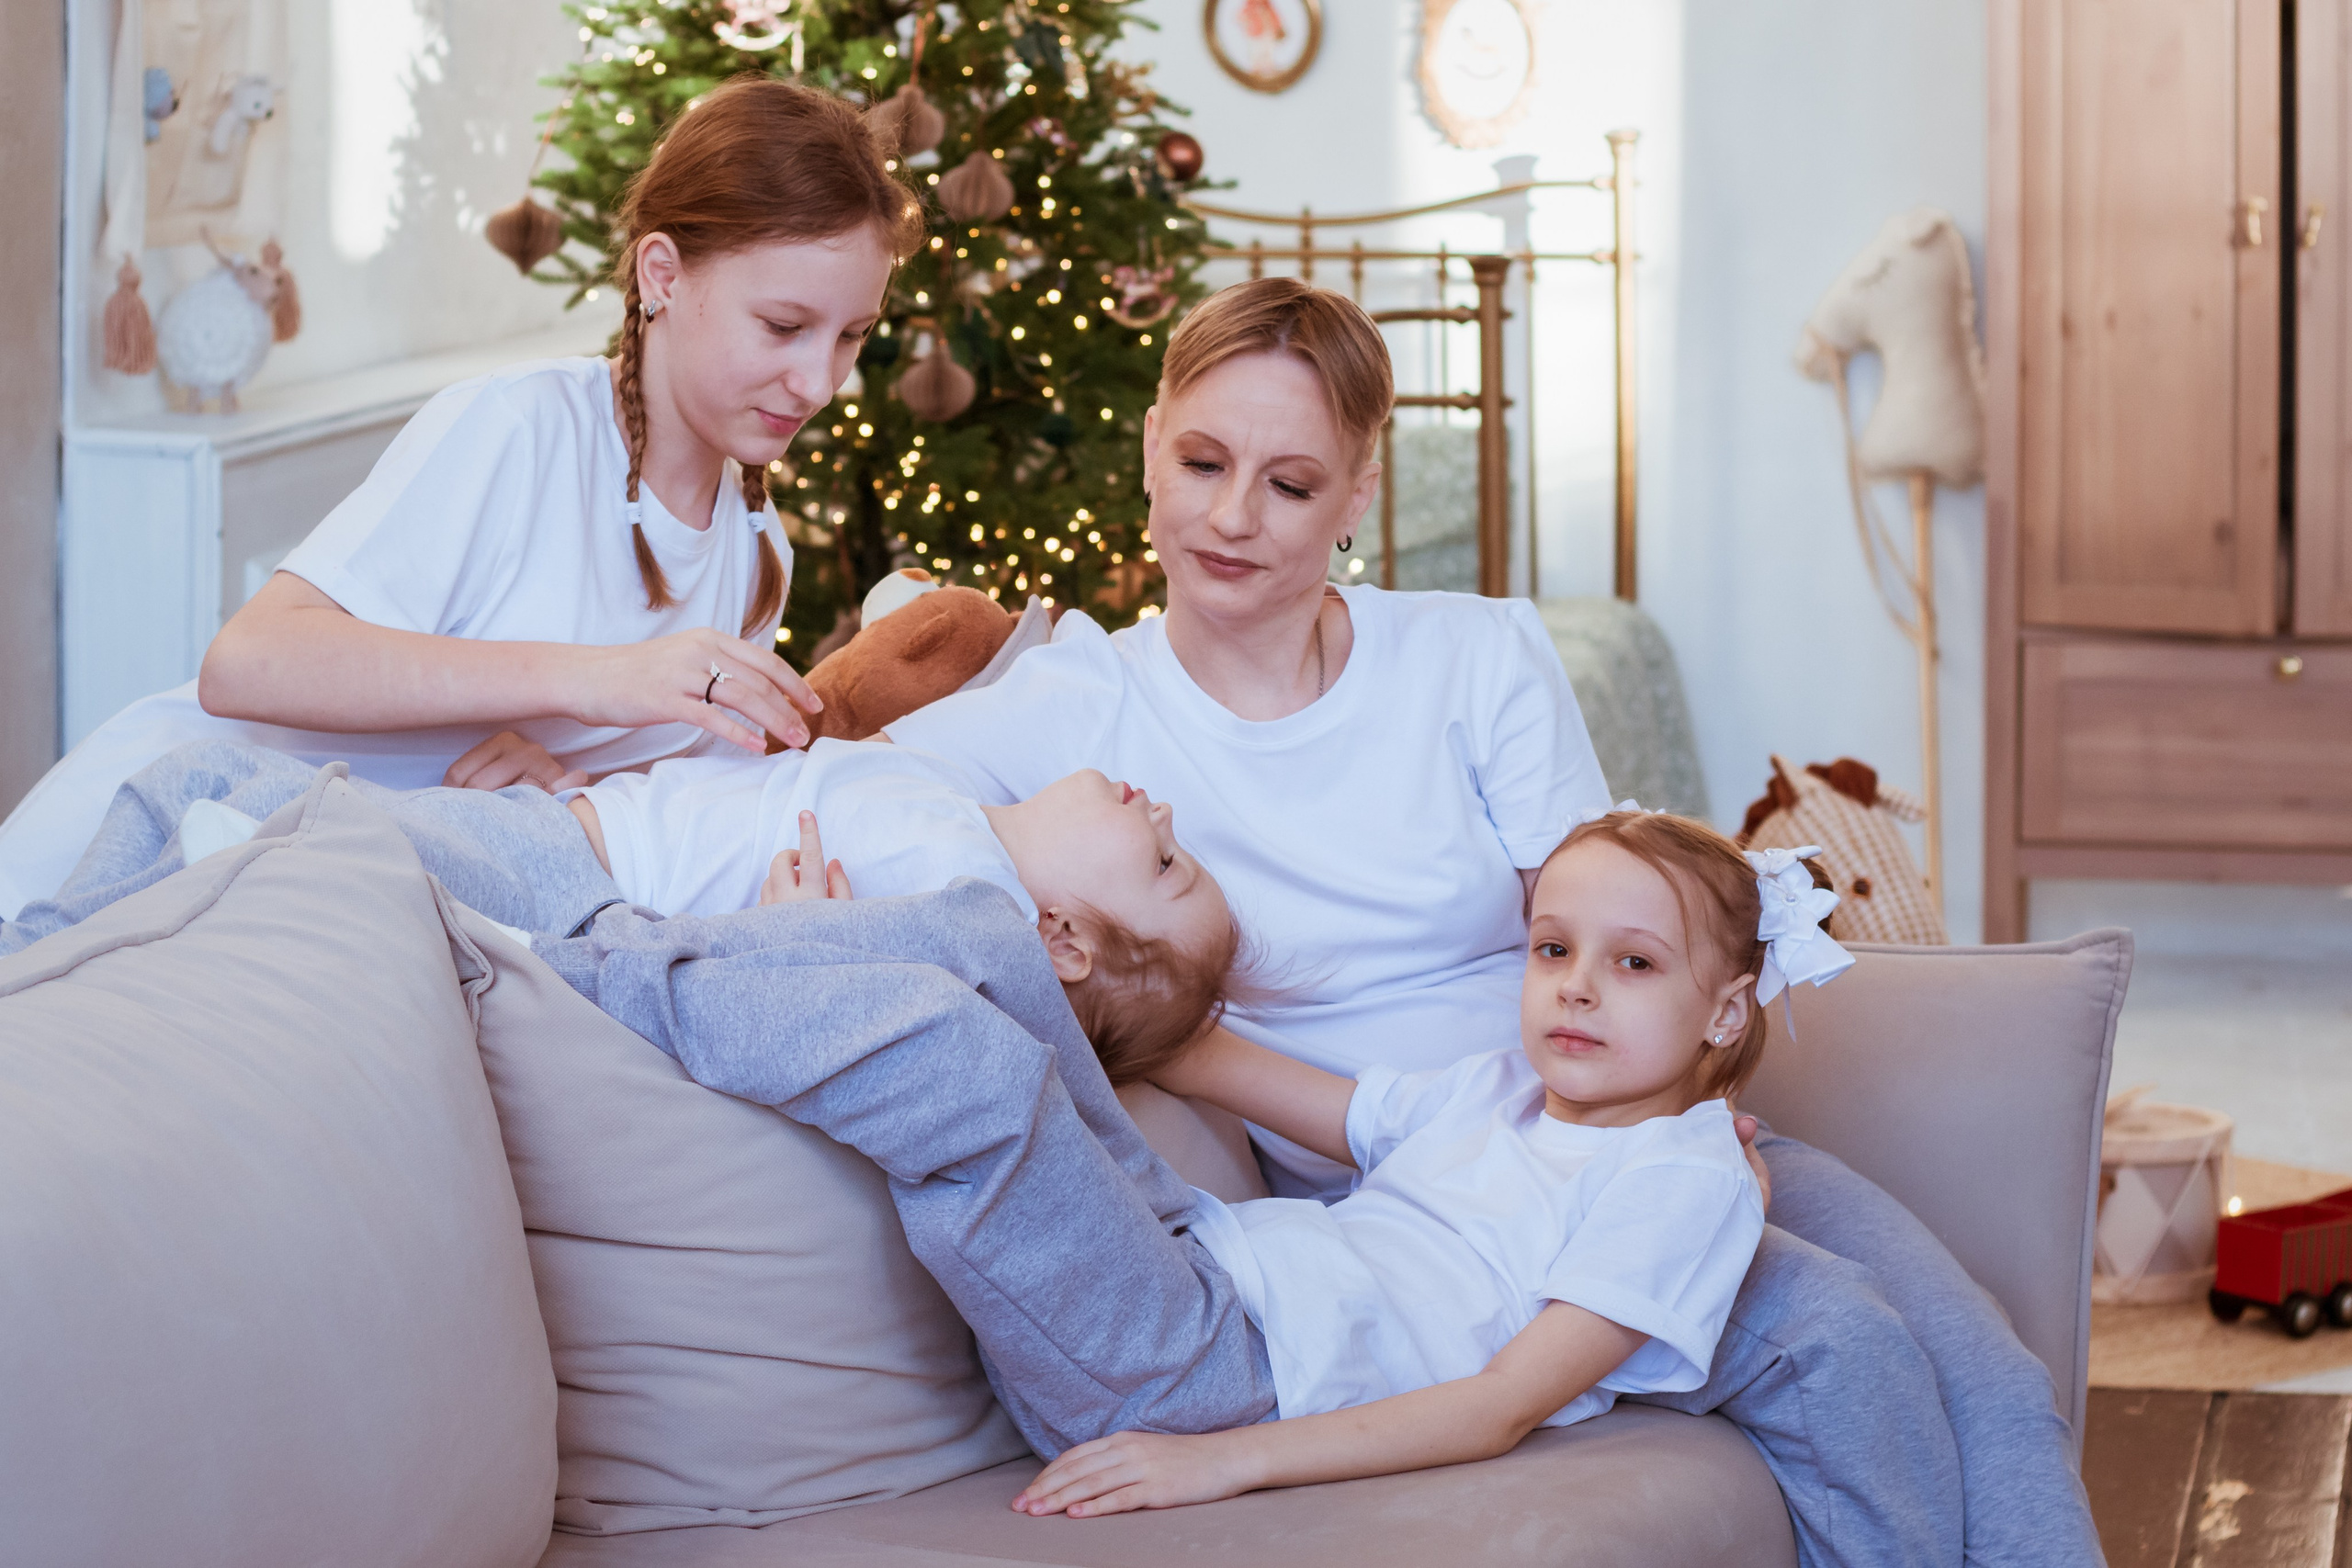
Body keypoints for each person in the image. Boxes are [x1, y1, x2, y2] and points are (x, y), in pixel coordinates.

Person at [882, 276, 2100, 1566]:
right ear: (1150, 446)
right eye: (1201, 460)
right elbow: (854, 794)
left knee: (1991, 1378)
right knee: (1842, 1340)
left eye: (1293, 485)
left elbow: (1616, 916)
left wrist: (1687, 1100)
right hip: (1450, 1209)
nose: (1233, 517)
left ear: (1358, 494)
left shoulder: (1475, 658)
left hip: (1636, 1131)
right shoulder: (1077, 707)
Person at [0, 76, 922, 919]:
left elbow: (636, 818)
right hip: (144, 857)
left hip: (332, 905)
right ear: (662, 276)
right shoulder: (522, 431)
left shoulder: (757, 557)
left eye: (850, 337)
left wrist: (553, 789)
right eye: (785, 327)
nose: (819, 382)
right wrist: (593, 681)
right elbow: (248, 662)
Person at [1010, 811, 1839, 1518]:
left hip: (1272, 1368)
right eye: (1552, 949)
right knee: (1017, 1100)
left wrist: (1225, 1461)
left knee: (984, 1113)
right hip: (1226, 1271)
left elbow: (1502, 1405)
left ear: (1727, 1011)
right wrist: (1108, 993)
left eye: (1634, 962)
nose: (1575, 987)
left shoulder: (1686, 1176)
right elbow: (1242, 1074)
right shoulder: (1497, 1084)